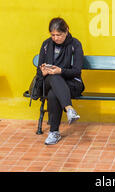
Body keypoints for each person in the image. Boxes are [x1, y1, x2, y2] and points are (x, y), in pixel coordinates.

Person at [36, 17, 85, 145]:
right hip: (48, 81)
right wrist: (43, 71)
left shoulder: (75, 44)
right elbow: (39, 71)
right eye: (53, 35)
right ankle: (69, 108)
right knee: (53, 77)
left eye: (59, 35)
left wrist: (60, 71)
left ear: (67, 31)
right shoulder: (46, 45)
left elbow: (77, 71)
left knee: (53, 93)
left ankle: (54, 132)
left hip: (71, 82)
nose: (56, 38)